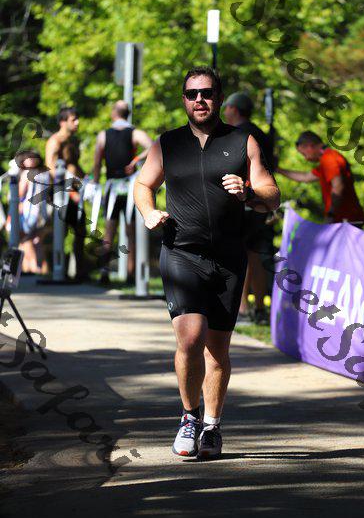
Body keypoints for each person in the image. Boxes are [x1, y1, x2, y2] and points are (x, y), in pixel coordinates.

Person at [134, 66, 280, 459]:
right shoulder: (168, 143)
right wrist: (148, 212)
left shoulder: (242, 140)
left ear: (219, 96)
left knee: (217, 350)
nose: (199, 100)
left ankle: (212, 426)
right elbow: (144, 184)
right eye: (192, 93)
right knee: (190, 337)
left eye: (207, 93)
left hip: (229, 258)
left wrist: (248, 191)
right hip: (181, 251)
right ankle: (189, 416)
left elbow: (272, 193)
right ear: (184, 99)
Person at [224, 92, 277, 324]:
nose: (224, 111)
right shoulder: (262, 134)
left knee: (241, 254)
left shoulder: (238, 135)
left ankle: (243, 308)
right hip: (262, 202)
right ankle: (259, 308)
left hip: (246, 201)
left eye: (227, 107)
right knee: (256, 255)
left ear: (234, 110)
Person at [93, 100, 153, 283]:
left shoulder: (103, 135)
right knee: (131, 232)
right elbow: (153, 146)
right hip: (130, 188)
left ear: (114, 113)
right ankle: (130, 274)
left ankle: (104, 271)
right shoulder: (135, 133)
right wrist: (136, 160)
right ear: (128, 114)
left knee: (109, 231)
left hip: (112, 187)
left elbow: (97, 162)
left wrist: (95, 184)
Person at [277, 131, 364, 225]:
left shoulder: (329, 159)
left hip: (346, 220)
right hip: (346, 219)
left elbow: (338, 186)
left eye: (304, 154)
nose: (306, 158)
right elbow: (306, 177)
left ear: (310, 146)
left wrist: (331, 214)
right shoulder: (327, 159)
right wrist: (277, 170)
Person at [45, 106, 88, 280]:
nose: (77, 122)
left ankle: (79, 273)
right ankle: (57, 271)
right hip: (60, 193)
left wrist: (88, 179)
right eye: (73, 119)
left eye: (77, 118)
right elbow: (51, 169)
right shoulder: (55, 141)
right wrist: (69, 189)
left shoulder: (73, 141)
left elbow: (75, 166)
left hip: (75, 192)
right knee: (60, 232)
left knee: (81, 231)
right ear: (63, 122)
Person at [15, 150, 51, 274]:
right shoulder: (45, 174)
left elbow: (20, 194)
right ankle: (43, 271)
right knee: (38, 242)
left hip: (29, 212)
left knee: (25, 240)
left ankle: (32, 269)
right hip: (44, 213)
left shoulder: (27, 174)